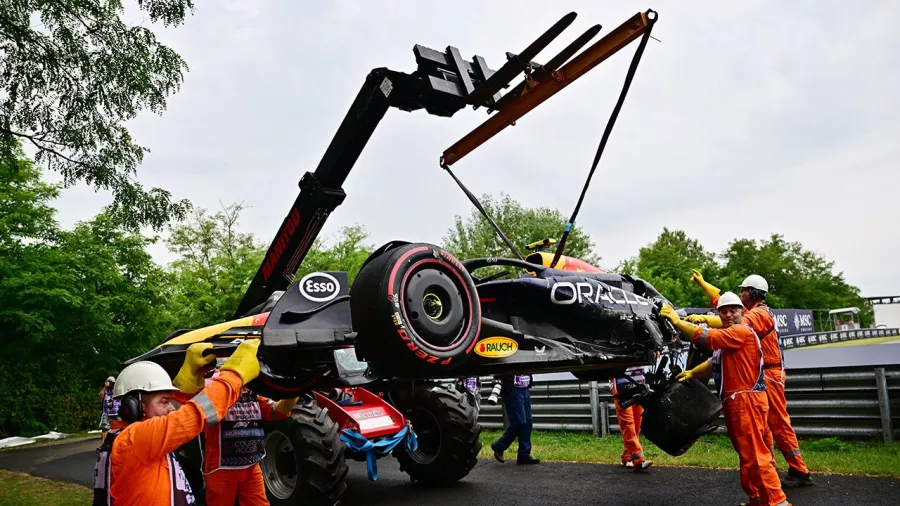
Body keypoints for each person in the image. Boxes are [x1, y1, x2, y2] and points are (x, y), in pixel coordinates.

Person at [93, 338, 262, 505]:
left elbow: (179, 413)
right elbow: (192, 416)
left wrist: (187, 376)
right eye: (164, 401)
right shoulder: (135, 439)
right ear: (135, 405)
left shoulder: (130, 439)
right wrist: (234, 375)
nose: (171, 408)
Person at [661, 292, 789, 506]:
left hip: (746, 402)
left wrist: (677, 321)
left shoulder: (741, 331)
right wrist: (693, 373)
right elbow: (714, 362)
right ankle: (756, 497)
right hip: (738, 402)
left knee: (756, 456)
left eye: (733, 310)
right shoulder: (731, 337)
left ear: (742, 312)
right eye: (724, 311)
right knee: (748, 455)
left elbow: (709, 337)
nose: (728, 315)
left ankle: (777, 502)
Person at [689, 270, 814, 488]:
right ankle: (768, 471)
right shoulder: (749, 310)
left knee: (777, 422)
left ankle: (799, 469)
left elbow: (731, 320)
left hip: (769, 374)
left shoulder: (759, 314)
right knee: (763, 426)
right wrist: (702, 284)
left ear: (753, 293)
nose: (740, 294)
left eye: (743, 291)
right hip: (761, 372)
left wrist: (702, 319)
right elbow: (721, 301)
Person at [171, 358, 299, 506]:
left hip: (251, 466)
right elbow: (183, 401)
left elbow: (275, 412)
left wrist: (295, 391)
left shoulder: (253, 391)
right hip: (221, 468)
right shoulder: (214, 389)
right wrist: (190, 373)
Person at [490, 374, 540, 465]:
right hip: (513, 388)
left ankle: (524, 455)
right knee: (519, 422)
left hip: (524, 387)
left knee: (528, 422)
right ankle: (499, 446)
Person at [610, 366, 652, 471]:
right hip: (621, 389)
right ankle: (639, 460)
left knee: (637, 425)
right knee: (628, 424)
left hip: (638, 386)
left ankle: (627, 456)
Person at [98, 376, 121, 447]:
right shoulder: (105, 391)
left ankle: (119, 443)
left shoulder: (117, 389)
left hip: (117, 412)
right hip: (107, 413)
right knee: (105, 429)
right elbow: (100, 396)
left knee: (120, 428)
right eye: (109, 382)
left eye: (112, 382)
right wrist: (105, 387)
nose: (111, 384)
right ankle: (103, 445)